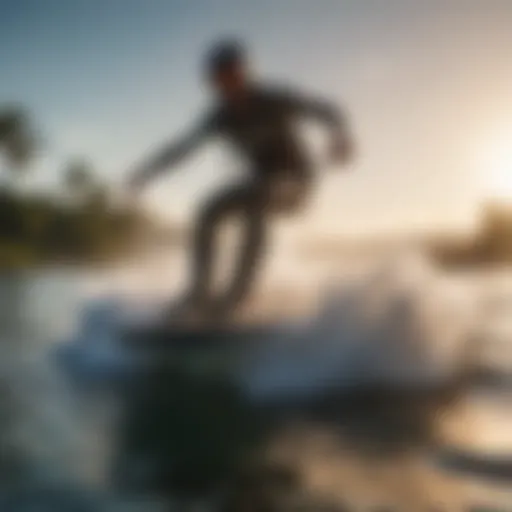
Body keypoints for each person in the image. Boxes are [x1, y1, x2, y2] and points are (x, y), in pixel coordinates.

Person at [127, 39, 355, 319]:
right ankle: (199, 293)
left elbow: (327, 109)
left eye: (234, 76)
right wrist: (146, 173)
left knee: (258, 196)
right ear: (213, 83)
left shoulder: (274, 100)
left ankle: (236, 297)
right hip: (259, 187)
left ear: (245, 74)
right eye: (221, 80)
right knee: (208, 209)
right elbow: (181, 149)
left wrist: (340, 135)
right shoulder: (219, 117)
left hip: (296, 186)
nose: (230, 86)